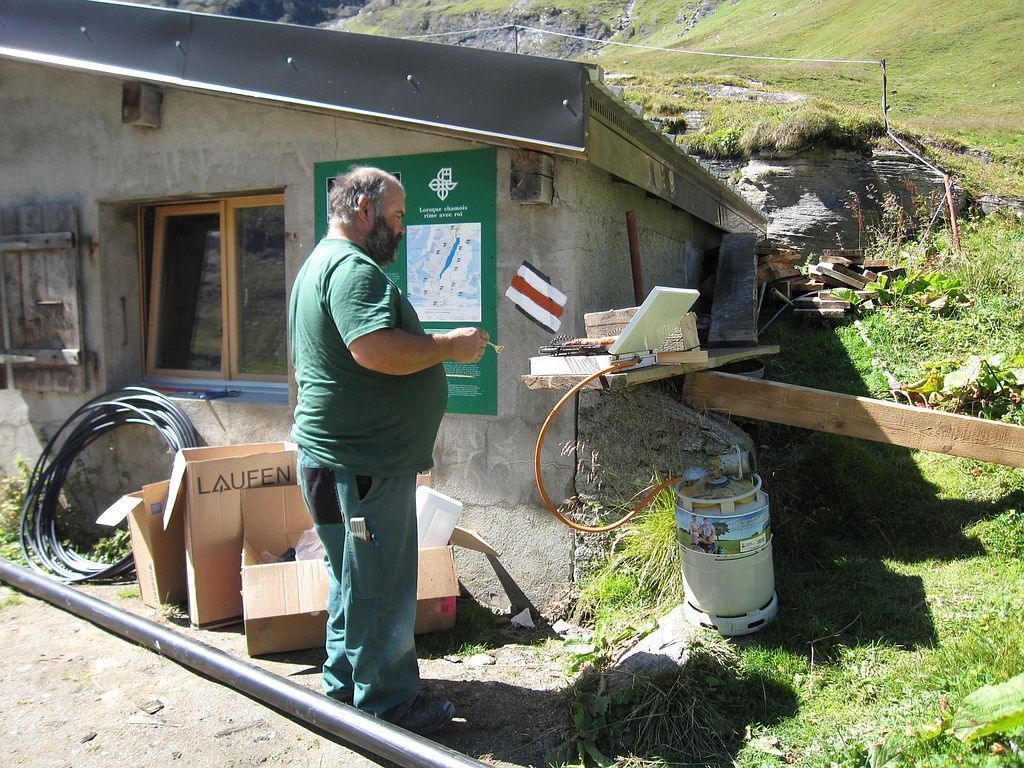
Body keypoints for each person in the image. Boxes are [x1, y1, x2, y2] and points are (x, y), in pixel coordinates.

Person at [288, 166, 488, 735]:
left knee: (352, 575)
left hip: (334, 460)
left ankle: (345, 685)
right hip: (363, 466)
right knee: (380, 583)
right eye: (398, 215)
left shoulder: (318, 265)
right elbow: (373, 350)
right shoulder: (352, 270)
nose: (402, 229)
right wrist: (449, 346)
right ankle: (387, 705)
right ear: (363, 208)